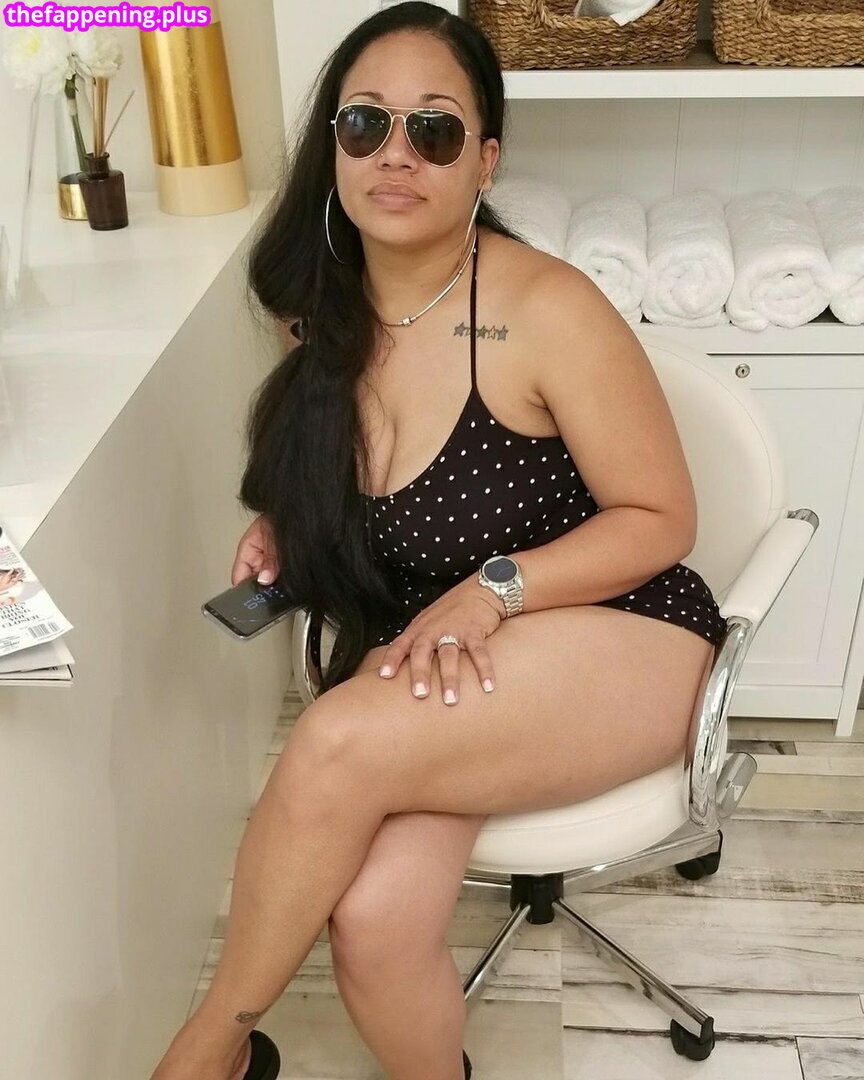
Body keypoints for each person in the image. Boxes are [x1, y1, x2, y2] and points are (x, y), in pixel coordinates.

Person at [149, 4, 724, 1079]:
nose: (396, 153)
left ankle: (210, 1045)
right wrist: (295, 517)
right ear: (334, 148)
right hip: (447, 655)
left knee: (331, 740)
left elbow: (662, 519)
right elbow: (381, 485)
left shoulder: (546, 309)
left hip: (617, 628)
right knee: (370, 921)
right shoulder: (325, 317)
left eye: (436, 129)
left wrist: (492, 588)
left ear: (484, 160)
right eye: (365, 123)